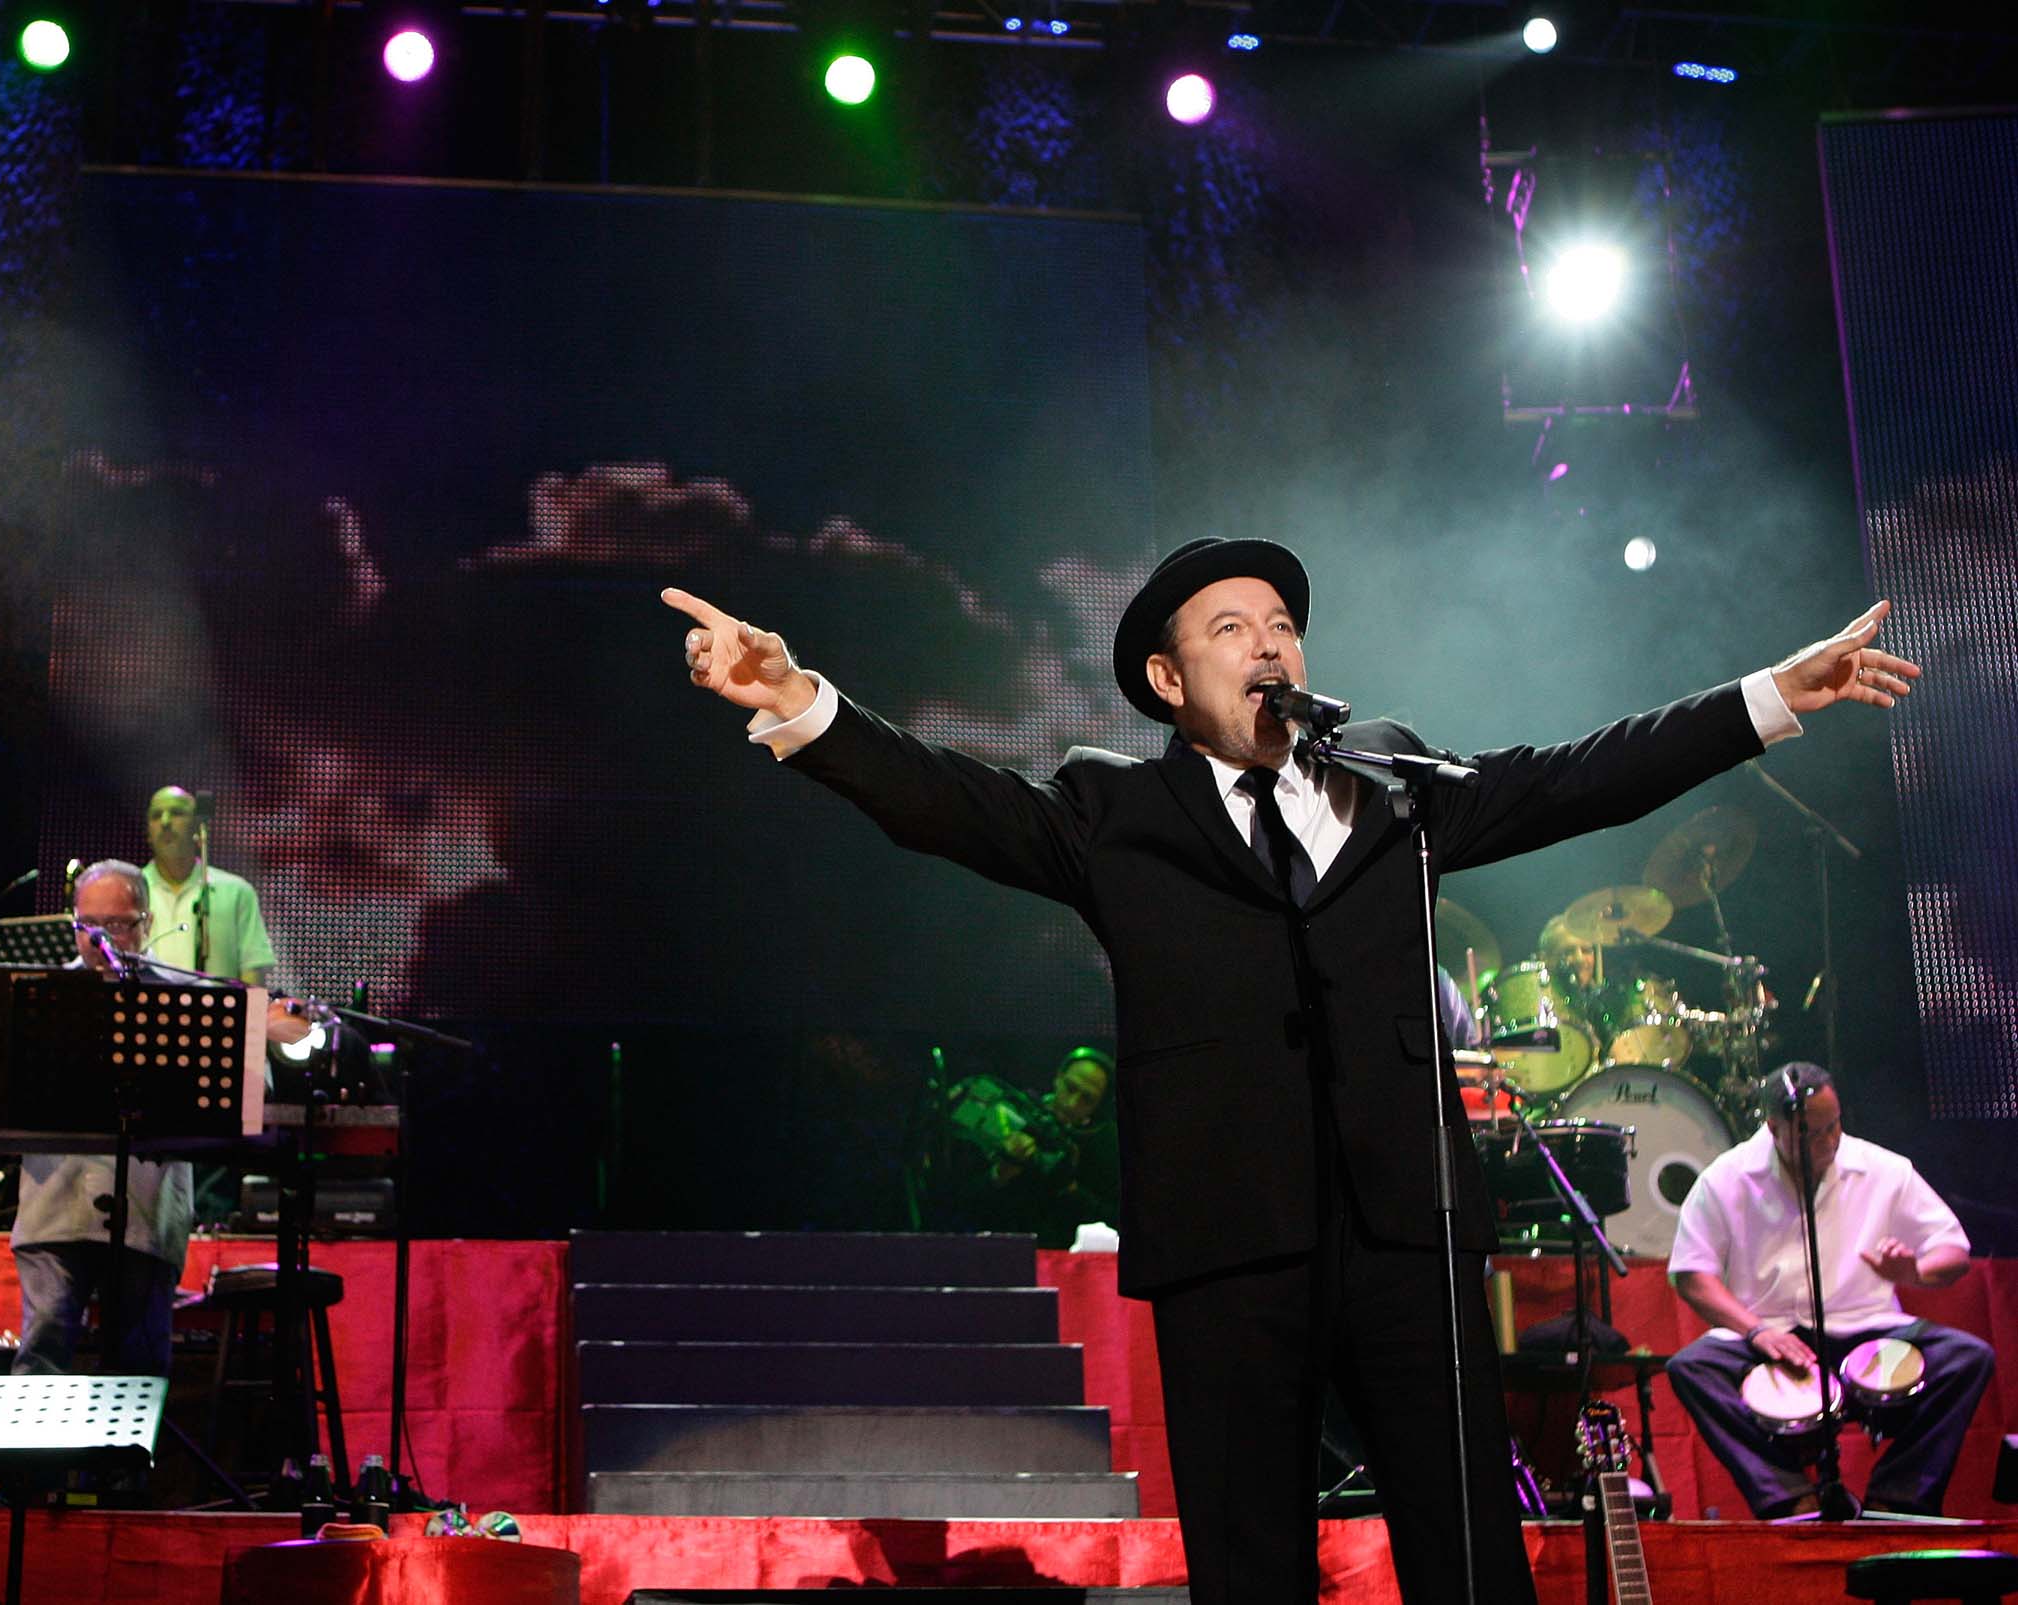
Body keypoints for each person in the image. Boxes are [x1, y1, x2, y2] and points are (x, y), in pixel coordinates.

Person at [663, 538, 1914, 1601]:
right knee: (1252, 1555)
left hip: (1405, 1231)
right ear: (1166, 677)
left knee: (1468, 1549)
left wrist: (1768, 696)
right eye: (1230, 628)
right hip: (1229, 1240)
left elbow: (1580, 776)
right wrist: (800, 699)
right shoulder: (1112, 810)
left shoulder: (1393, 785)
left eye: (1281, 626)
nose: (1269, 646)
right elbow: (945, 800)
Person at [1666, 1063, 1993, 1518]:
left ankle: (1895, 1500)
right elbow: (1692, 1275)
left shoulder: (1884, 1169)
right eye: (1813, 1133)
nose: (1830, 1141)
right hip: (1773, 1337)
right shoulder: (1726, 1178)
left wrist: (1914, 1270)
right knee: (1692, 1367)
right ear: (1774, 1127)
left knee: (1967, 1358)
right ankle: (1788, 1498)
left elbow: (1953, 1250)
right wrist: (1756, 1331)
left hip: (1870, 1332)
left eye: (1834, 1125)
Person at [9, 860, 196, 1377]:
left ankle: (124, 1462)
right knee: (42, 1354)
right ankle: (35, 1460)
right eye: (86, 926)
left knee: (138, 1366)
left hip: (144, 1210)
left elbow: (246, 1086)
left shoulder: (186, 997)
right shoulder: (38, 997)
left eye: (114, 926)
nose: (97, 939)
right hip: (54, 1204)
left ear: (145, 922)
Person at [935, 1046, 1121, 1245]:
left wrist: (1070, 1190)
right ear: (1058, 1077)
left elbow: (1113, 1220)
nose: (1072, 1103)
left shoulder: (1106, 1145)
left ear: (1099, 1105)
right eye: (1070, 1088)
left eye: (1087, 1099)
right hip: (1000, 1249)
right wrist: (1000, 1174)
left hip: (1064, 1258)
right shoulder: (1010, 1117)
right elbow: (954, 1207)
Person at [142, 786, 276, 983]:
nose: (165, 822)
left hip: (219, 1013)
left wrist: (254, 1015)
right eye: (156, 816)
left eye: (177, 813)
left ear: (198, 826)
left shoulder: (236, 892)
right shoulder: (129, 893)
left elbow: (253, 974)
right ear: (148, 833)